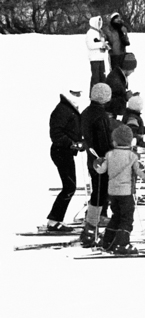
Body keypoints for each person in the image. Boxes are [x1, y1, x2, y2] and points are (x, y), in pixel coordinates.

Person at [93, 124, 145, 254]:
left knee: (116, 216)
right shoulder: (132, 156)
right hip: (126, 193)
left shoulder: (109, 155)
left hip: (112, 193)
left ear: (114, 141)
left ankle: (108, 241)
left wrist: (96, 162)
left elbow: (100, 170)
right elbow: (141, 173)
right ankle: (122, 244)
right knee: (126, 219)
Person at [79, 83, 118, 248]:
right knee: (101, 191)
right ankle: (91, 226)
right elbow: (103, 140)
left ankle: (94, 220)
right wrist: (111, 153)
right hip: (101, 159)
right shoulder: (100, 115)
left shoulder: (86, 112)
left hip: (92, 158)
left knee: (98, 188)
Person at [45, 89, 84, 233]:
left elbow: (71, 130)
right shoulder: (63, 110)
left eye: (79, 93)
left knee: (69, 187)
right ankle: (54, 221)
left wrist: (78, 142)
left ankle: (54, 220)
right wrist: (72, 143)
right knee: (69, 187)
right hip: (61, 151)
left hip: (64, 151)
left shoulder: (69, 109)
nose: (79, 96)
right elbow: (56, 134)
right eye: (76, 93)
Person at [105, 51, 136, 118]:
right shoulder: (115, 80)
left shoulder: (119, 76)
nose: (133, 71)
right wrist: (125, 97)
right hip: (109, 115)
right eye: (132, 69)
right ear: (127, 67)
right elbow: (109, 102)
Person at [86, 16, 109, 89]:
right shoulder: (90, 33)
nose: (99, 24)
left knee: (102, 76)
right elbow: (90, 45)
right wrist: (101, 44)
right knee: (95, 77)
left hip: (101, 57)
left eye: (100, 22)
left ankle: (102, 93)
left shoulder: (100, 32)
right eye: (97, 22)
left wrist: (105, 44)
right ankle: (93, 94)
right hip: (94, 58)